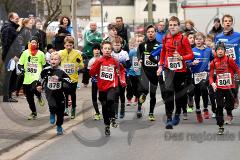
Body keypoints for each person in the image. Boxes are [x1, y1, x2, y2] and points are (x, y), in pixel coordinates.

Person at [157, 16, 194, 129]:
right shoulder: (166, 38)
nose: (172, 27)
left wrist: (182, 57)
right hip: (168, 69)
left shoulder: (183, 39)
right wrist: (160, 65)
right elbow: (163, 51)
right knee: (168, 92)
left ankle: (177, 114)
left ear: (179, 26)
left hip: (181, 70)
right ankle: (169, 118)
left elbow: (191, 55)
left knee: (179, 94)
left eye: (175, 25)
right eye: (171, 25)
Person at [89, 41, 126, 136]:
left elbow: (121, 70)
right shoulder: (99, 61)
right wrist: (96, 64)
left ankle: (113, 118)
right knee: (105, 107)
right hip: (101, 88)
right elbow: (92, 73)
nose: (107, 50)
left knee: (110, 100)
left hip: (112, 86)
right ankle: (107, 125)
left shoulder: (114, 61)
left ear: (111, 50)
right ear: (102, 50)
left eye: (109, 49)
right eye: (105, 48)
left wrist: (122, 81)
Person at [36, 52, 71, 135]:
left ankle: (59, 126)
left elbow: (69, 80)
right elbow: (40, 79)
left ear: (59, 61)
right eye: (52, 59)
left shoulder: (62, 71)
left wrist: (59, 78)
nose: (53, 61)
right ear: (49, 60)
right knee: (53, 106)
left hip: (59, 93)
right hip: (49, 93)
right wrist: (39, 86)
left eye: (55, 59)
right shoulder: (45, 70)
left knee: (60, 111)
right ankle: (52, 113)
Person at [209, 42, 240, 135]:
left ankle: (230, 111)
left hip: (230, 87)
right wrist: (213, 83)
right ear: (215, 51)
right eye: (218, 50)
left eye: (222, 50)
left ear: (225, 51)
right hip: (219, 87)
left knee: (229, 106)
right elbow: (210, 76)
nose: (220, 51)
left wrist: (237, 78)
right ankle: (220, 126)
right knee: (219, 106)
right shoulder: (213, 62)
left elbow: (237, 70)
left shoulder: (229, 60)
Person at [215, 14, 240, 123]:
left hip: (236, 67)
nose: (227, 23)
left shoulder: (238, 35)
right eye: (225, 21)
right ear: (222, 23)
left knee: (234, 90)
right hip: (223, 69)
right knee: (227, 92)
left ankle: (235, 97)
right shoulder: (218, 37)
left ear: (232, 22)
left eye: (229, 21)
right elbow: (216, 52)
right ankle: (229, 115)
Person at [18, 36, 46, 120]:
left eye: (35, 42)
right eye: (32, 42)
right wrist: (22, 69)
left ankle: (39, 96)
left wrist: (44, 75)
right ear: (29, 43)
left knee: (34, 89)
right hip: (27, 78)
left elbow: (44, 65)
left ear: (37, 44)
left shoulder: (41, 53)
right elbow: (20, 64)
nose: (33, 44)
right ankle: (34, 112)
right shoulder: (25, 53)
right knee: (29, 98)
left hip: (37, 76)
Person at [189, 32, 214, 123]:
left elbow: (212, 60)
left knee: (204, 89)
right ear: (194, 40)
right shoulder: (192, 50)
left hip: (205, 75)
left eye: (200, 39)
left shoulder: (208, 50)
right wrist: (192, 63)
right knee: (196, 93)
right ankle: (198, 110)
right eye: (196, 39)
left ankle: (206, 109)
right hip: (195, 75)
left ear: (203, 40)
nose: (198, 41)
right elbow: (187, 62)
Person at [137, 25, 160, 121]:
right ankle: (139, 109)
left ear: (155, 33)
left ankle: (151, 113)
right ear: (146, 33)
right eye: (149, 32)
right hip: (145, 72)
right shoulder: (142, 45)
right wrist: (139, 60)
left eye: (152, 32)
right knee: (143, 91)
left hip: (154, 72)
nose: (150, 33)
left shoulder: (159, 45)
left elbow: (162, 56)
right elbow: (139, 53)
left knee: (153, 94)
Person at [59, 36, 84, 119]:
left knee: (73, 94)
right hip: (64, 78)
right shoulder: (61, 53)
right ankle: (66, 109)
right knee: (65, 93)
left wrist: (78, 64)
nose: (69, 47)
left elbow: (81, 66)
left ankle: (73, 108)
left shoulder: (77, 53)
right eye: (67, 45)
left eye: (71, 45)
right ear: (64, 45)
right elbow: (56, 61)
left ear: (73, 45)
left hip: (73, 78)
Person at [1, 12, 20, 102]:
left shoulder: (11, 28)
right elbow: (7, 44)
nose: (18, 19)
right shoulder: (9, 28)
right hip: (10, 57)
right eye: (16, 18)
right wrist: (13, 56)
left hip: (12, 56)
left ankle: (8, 95)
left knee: (12, 75)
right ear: (11, 19)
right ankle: (7, 97)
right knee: (9, 76)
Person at [111, 36, 130, 119]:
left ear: (121, 45)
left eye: (118, 45)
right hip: (114, 77)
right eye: (115, 45)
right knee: (116, 94)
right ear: (112, 45)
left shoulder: (124, 53)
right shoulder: (111, 53)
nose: (117, 46)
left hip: (122, 76)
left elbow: (129, 65)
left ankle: (122, 110)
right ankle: (115, 112)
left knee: (122, 94)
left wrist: (122, 63)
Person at [82, 22, 102, 87]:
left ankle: (99, 80)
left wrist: (95, 40)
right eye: (92, 25)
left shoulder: (99, 33)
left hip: (97, 53)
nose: (93, 26)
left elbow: (101, 40)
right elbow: (88, 40)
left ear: (96, 26)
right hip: (88, 53)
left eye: (94, 25)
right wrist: (96, 40)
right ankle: (85, 82)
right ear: (90, 26)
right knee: (86, 68)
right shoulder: (87, 32)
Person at [126, 34, 144, 106]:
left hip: (141, 73)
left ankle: (137, 98)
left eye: (141, 41)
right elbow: (130, 61)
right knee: (132, 86)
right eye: (138, 41)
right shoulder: (132, 51)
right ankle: (132, 97)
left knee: (139, 87)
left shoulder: (145, 51)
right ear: (135, 42)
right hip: (133, 72)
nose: (139, 42)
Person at [87, 43, 102, 120]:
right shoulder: (91, 61)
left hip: (103, 82)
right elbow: (89, 72)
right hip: (94, 82)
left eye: (98, 49)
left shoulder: (103, 59)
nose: (97, 51)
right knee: (94, 97)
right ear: (92, 51)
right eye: (95, 49)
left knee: (102, 97)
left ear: (100, 50)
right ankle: (97, 113)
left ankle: (105, 110)